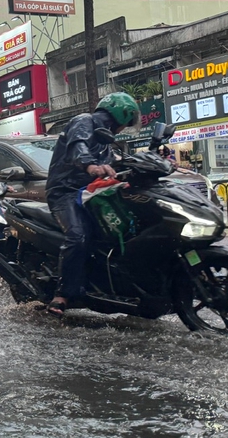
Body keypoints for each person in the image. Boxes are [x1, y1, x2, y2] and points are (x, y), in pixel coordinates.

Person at [44, 92, 141, 318]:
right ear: (120, 114)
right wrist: (90, 166)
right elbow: (78, 147)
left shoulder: (105, 139)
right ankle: (63, 294)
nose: (123, 128)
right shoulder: (83, 121)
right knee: (78, 235)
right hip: (65, 192)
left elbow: (119, 160)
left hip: (92, 192)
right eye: (125, 123)